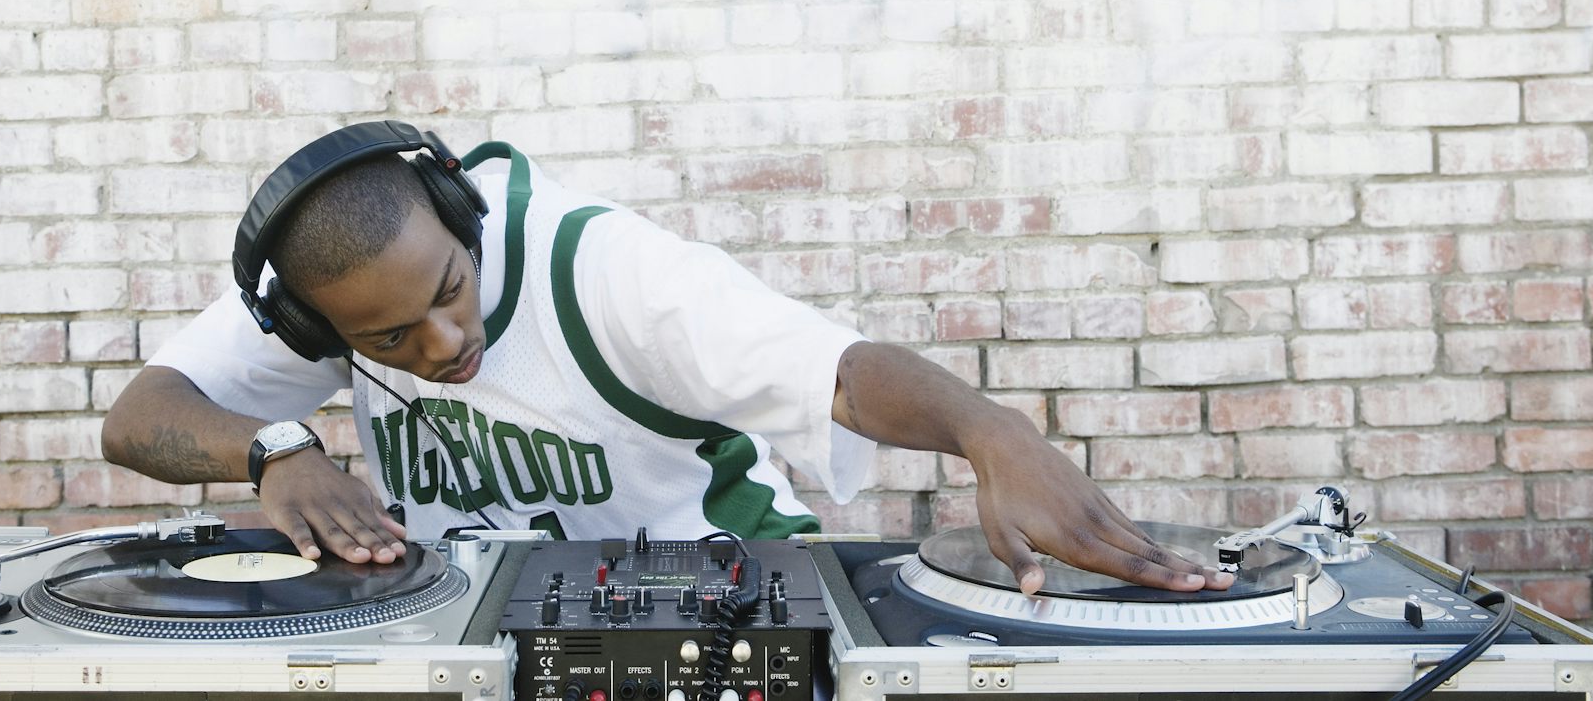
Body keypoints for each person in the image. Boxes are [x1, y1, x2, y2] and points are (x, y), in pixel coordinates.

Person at [103, 125, 1232, 597]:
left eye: (451, 292)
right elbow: (139, 414)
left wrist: (994, 434)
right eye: (387, 341)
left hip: (716, 604)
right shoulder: (335, 282)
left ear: (462, 220)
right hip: (469, 624)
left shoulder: (607, 269)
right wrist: (273, 450)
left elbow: (836, 367)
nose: (442, 346)